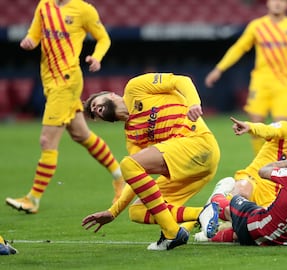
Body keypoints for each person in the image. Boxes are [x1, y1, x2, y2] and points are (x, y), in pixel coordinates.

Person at [5, 0, 124, 214]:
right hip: (49, 80)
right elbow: (34, 34)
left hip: (67, 81)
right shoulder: (44, 6)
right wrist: (29, 42)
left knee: (46, 141)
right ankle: (119, 177)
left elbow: (103, 38)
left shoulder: (83, 10)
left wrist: (96, 58)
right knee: (82, 135)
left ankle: (33, 198)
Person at [80, 72, 221, 251]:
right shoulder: (132, 136)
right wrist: (113, 211)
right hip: (185, 168)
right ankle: (205, 213)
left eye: (95, 104)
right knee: (137, 211)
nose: (95, 110)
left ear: (111, 94)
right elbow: (136, 178)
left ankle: (172, 233)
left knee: (128, 164)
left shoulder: (135, 88)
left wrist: (194, 103)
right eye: (94, 113)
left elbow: (182, 80)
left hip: (198, 143)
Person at [194, 98, 287, 242]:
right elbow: (267, 129)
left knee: (259, 233)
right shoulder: (285, 128)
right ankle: (218, 198)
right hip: (253, 180)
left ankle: (211, 234)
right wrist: (249, 127)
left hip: (272, 199)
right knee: (241, 192)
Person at [205, 0, 287, 155]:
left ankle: (277, 164)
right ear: (267, 3)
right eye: (274, 0)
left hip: (283, 83)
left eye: (281, 1)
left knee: (281, 127)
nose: (277, 4)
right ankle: (260, 163)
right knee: (255, 124)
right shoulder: (257, 26)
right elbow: (239, 48)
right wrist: (219, 69)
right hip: (260, 82)